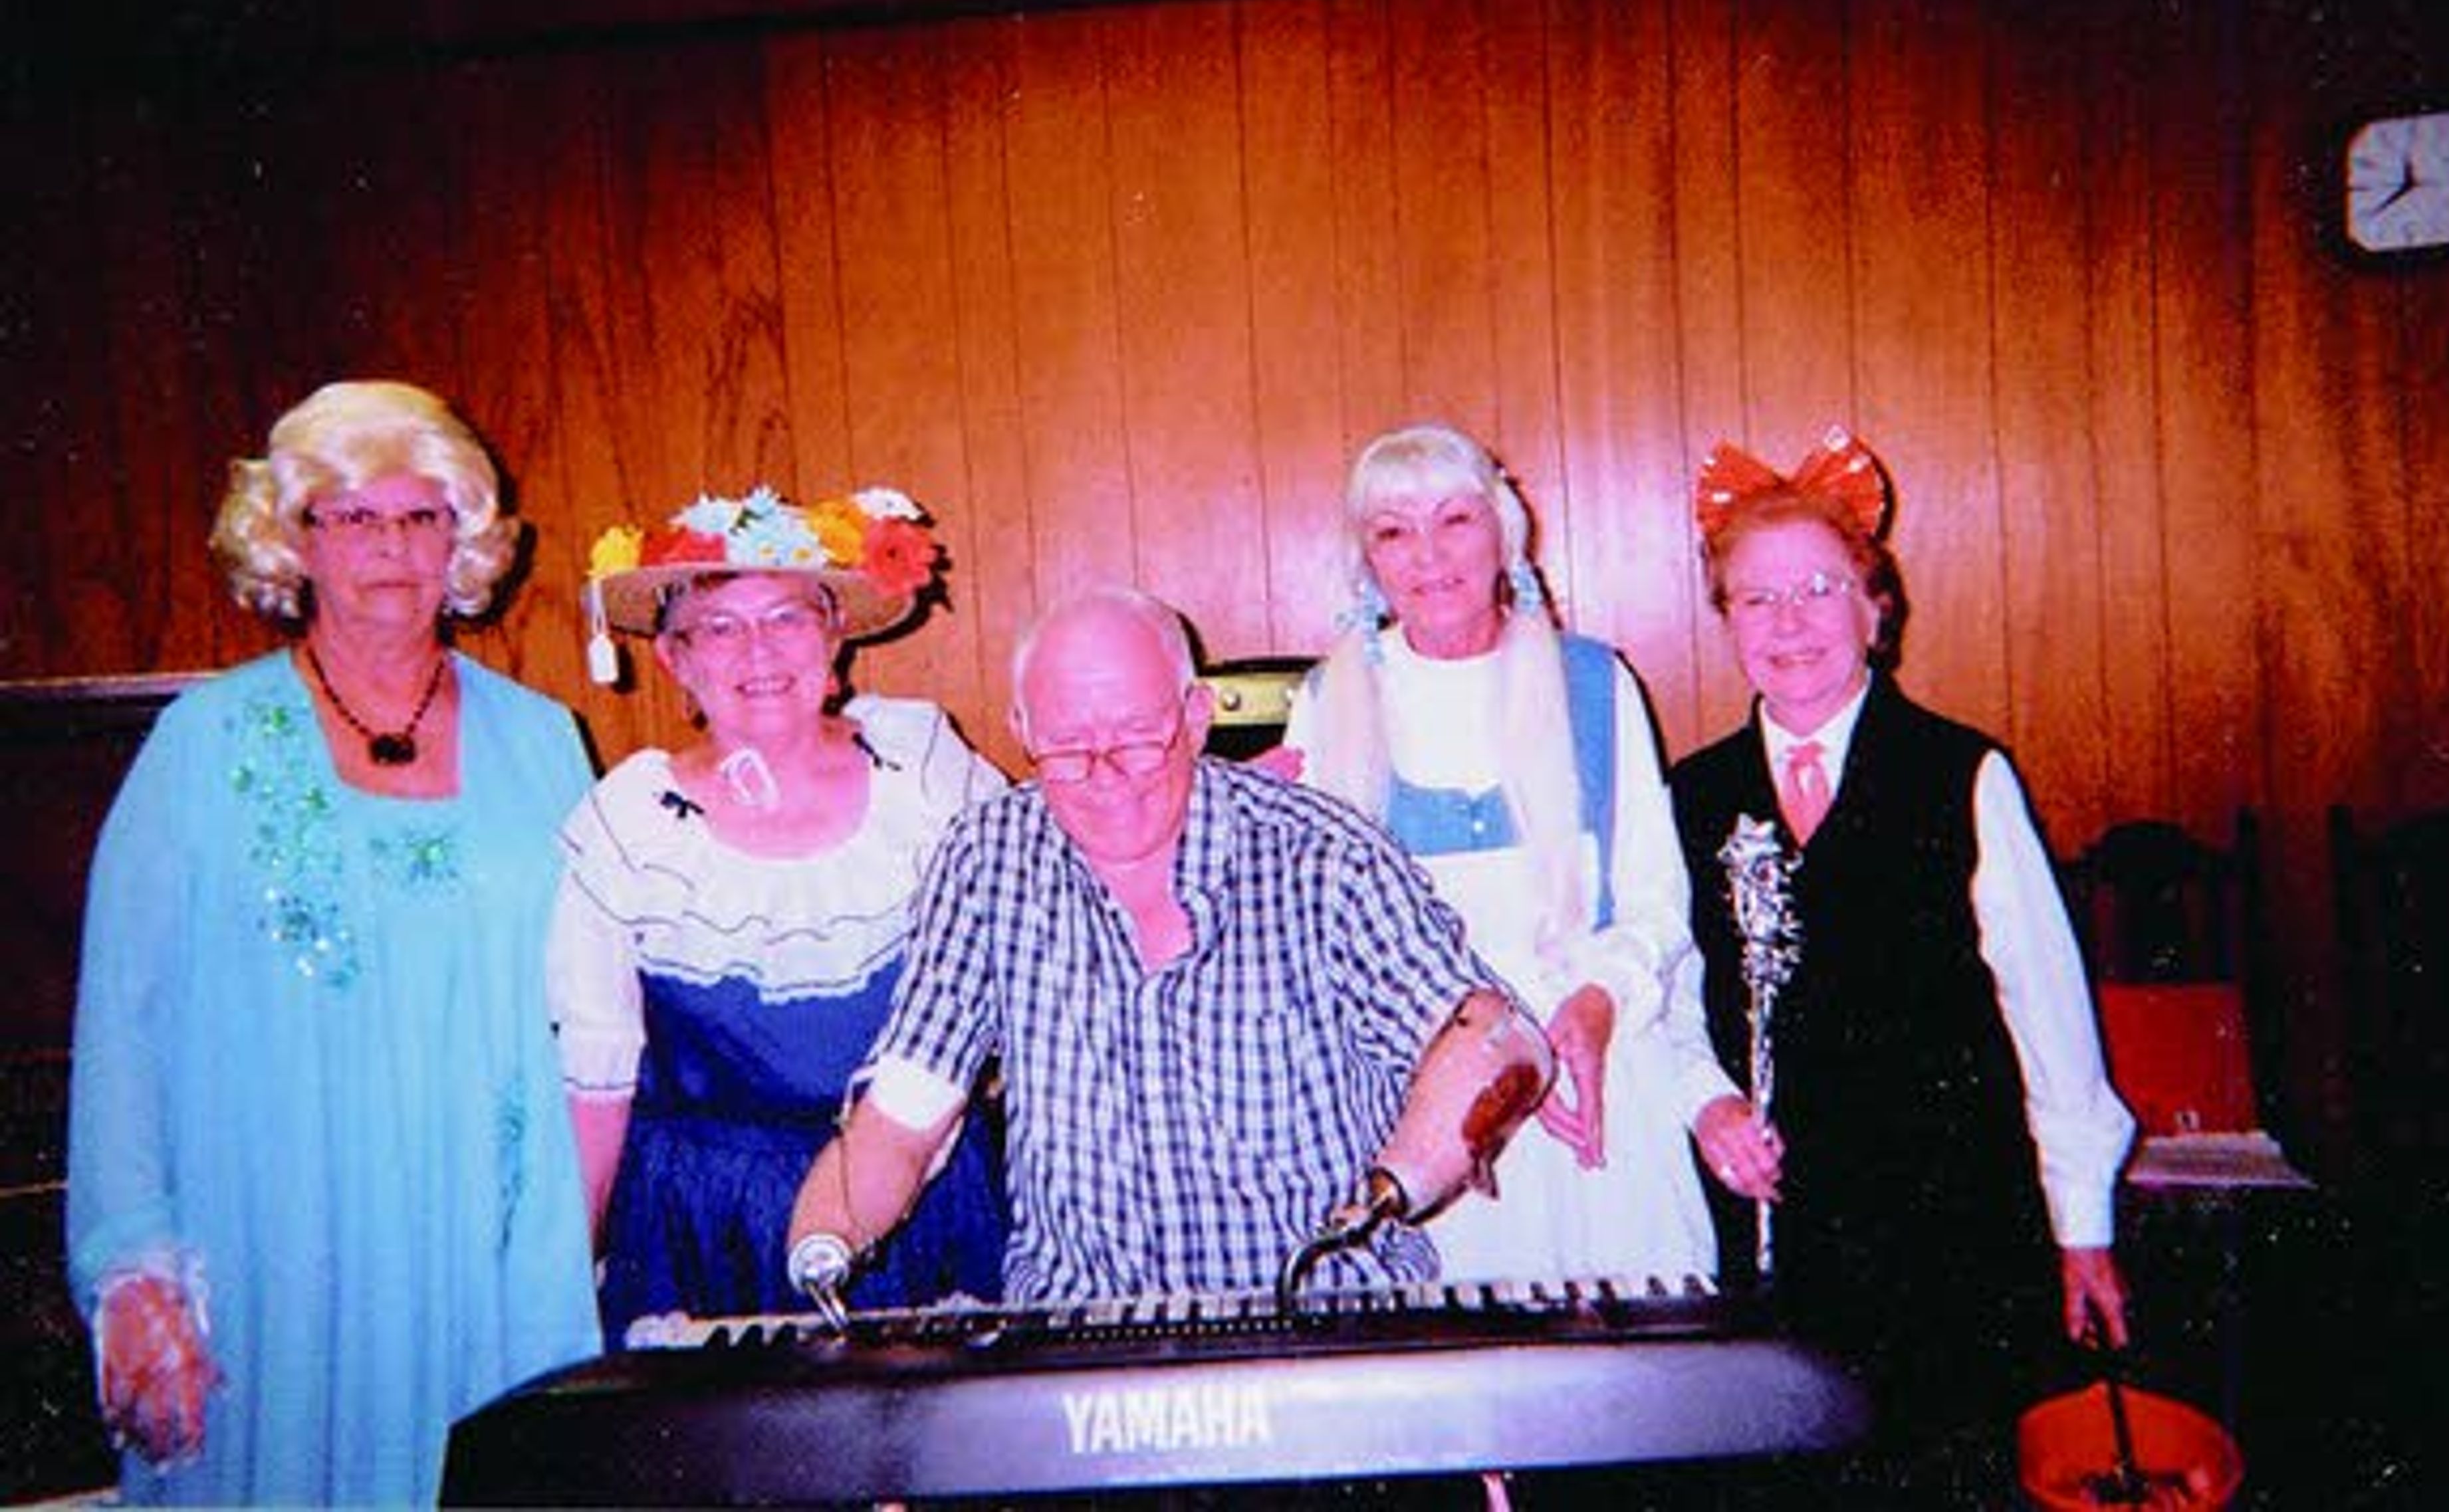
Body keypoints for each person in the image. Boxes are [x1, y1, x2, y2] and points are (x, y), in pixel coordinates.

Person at [64, 379, 601, 1505]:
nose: (391, 547)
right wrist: (132, 1271)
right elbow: (121, 1022)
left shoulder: (545, 741)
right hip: (273, 1244)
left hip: (485, 1249)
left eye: (421, 515)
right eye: (352, 515)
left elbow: (592, 1014)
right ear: (292, 539)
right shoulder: (200, 745)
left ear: (464, 538)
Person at [788, 586, 1553, 1305]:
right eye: (1067, 750)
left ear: (1194, 717)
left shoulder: (1323, 857)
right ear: (1021, 731)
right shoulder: (989, 857)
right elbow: (907, 1107)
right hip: (1081, 1331)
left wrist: (1397, 1183)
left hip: (1324, 1313)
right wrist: (827, 1240)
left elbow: (1499, 1037)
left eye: (1138, 742)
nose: (1105, 779)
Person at [1667, 426, 2137, 1487]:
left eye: (1819, 590)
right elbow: (1667, 996)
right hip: (1776, 1225)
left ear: (1877, 609)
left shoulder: (1963, 773)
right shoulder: (1691, 795)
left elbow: (2048, 1010)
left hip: (1951, 1219)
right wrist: (1706, 1100)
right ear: (1727, 622)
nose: (1789, 623)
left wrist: (2084, 1226)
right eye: (1756, 598)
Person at [551, 484, 1008, 1345]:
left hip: (924, 1201)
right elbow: (596, 1089)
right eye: (720, 626)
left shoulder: (926, 773)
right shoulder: (630, 826)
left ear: (835, 635)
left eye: (789, 617)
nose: (758, 650)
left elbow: (1038, 942)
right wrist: (564, 1286)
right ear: (674, 660)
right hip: (706, 1226)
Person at [1279, 423, 1720, 1287]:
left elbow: (1657, 903)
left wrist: (1593, 1007)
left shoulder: (1595, 681)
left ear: (1503, 533)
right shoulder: (1331, 704)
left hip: (1594, 1078)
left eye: (1455, 520)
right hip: (1428, 1109)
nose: (1429, 556)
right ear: (1366, 559)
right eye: (1393, 531)